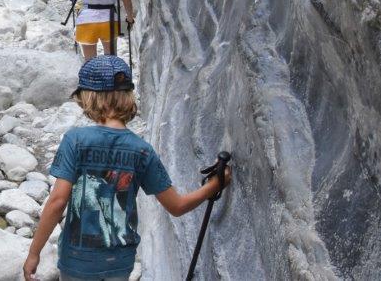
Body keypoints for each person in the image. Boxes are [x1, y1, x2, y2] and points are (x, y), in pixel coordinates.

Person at [23, 57, 232, 281]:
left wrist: (34, 252)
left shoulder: (75, 140)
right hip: (120, 261)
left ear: (89, 97)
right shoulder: (142, 151)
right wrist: (215, 185)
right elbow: (177, 206)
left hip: (77, 259)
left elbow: (57, 202)